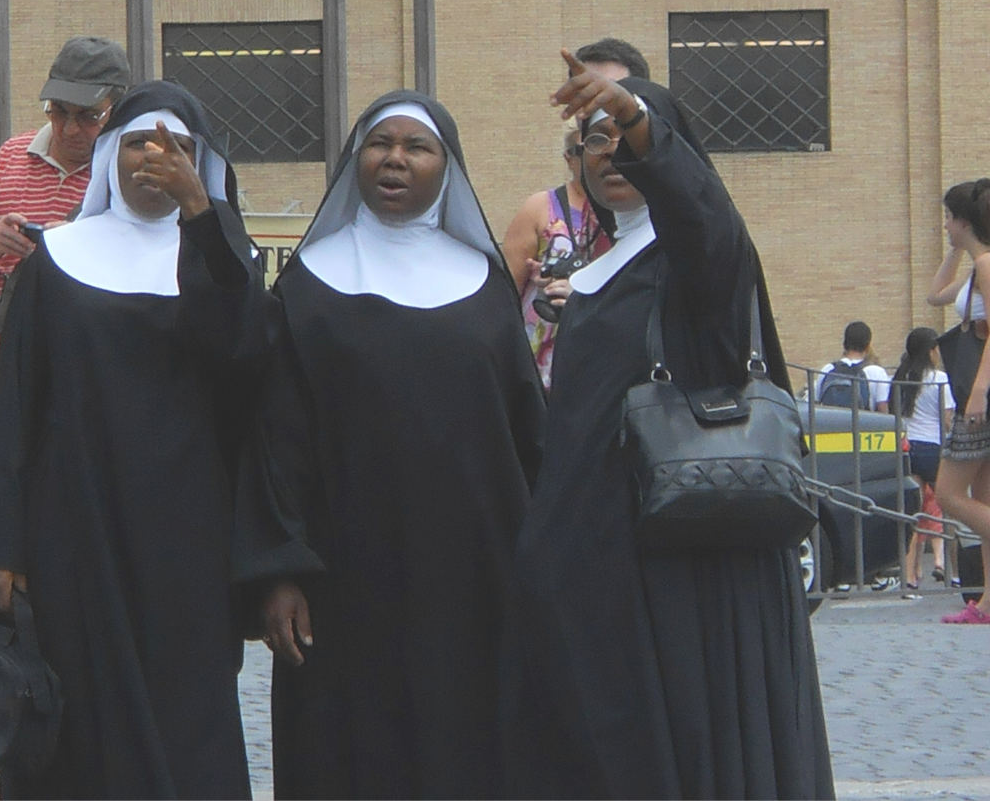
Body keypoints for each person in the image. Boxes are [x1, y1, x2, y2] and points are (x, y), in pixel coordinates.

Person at [501, 52, 834, 798]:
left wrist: (637, 120)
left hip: (686, 571)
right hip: (602, 569)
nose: (612, 151)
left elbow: (700, 213)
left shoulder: (699, 256)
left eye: (625, 134)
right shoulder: (598, 268)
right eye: (595, 137)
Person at [0, 80, 273, 798]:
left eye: (177, 148)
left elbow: (245, 357)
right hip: (74, 528)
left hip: (190, 535)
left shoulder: (225, 261)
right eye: (136, 142)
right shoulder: (57, 261)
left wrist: (201, 213)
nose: (153, 159)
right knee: (77, 718)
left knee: (186, 714)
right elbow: (16, 406)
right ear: (108, 158)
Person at [233, 90, 546, 798]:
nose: (396, 159)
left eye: (417, 147)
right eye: (380, 144)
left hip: (475, 580)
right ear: (355, 160)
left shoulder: (487, 287)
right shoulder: (309, 287)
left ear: (447, 166)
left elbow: (527, 433)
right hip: (342, 583)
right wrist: (279, 570)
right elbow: (276, 444)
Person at [0, 35, 130, 401]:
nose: (70, 129)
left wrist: (82, 247)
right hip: (7, 382)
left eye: (88, 116)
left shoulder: (129, 172)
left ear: (118, 111)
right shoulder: (11, 156)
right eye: (58, 111)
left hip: (95, 383)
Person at [502, 39, 648, 389]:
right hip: (547, 385)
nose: (596, 98)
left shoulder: (664, 212)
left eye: (611, 92)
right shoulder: (541, 208)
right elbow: (500, 302)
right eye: (582, 88)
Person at [928, 179, 990, 624]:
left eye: (949, 218)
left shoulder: (986, 265)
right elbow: (934, 295)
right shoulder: (977, 266)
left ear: (964, 220)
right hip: (976, 392)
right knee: (983, 496)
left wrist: (979, 393)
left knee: (949, 493)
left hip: (978, 395)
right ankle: (987, 602)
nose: (945, 225)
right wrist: (956, 248)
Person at [891, 327, 954, 592]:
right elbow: (948, 418)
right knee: (951, 509)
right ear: (931, 350)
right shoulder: (939, 378)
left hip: (907, 447)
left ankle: (910, 574)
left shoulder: (899, 378)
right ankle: (954, 571)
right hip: (933, 447)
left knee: (912, 515)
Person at [814, 321, 892, 412]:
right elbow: (883, 411)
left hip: (832, 424)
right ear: (867, 346)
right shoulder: (877, 372)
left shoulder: (827, 369)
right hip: (864, 424)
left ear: (844, 344)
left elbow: (817, 403)